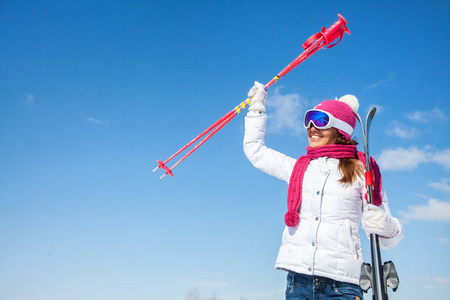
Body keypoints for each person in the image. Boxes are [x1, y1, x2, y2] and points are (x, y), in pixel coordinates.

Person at [243, 81, 404, 299]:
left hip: (342, 285)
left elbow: (389, 239)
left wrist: (383, 224)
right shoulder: (301, 168)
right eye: (308, 120)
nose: (312, 127)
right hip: (298, 282)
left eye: (320, 121)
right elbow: (256, 151)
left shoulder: (361, 170)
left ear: (340, 130)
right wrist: (257, 109)